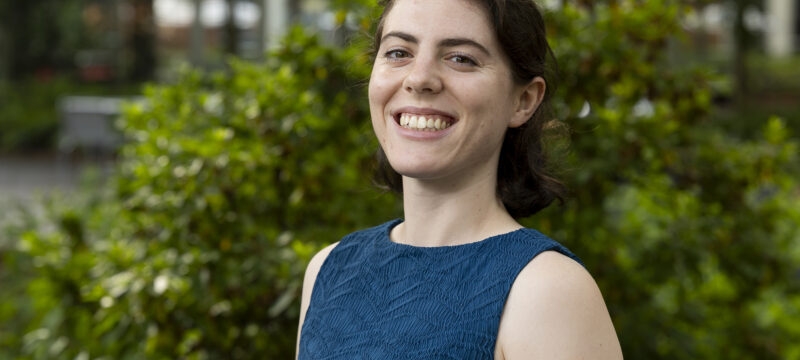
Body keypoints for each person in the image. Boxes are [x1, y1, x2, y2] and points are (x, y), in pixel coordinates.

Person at [296, 0, 623, 358]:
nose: (419, 79)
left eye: (460, 58)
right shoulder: (328, 271)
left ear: (524, 100)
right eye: (398, 52)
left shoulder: (547, 292)